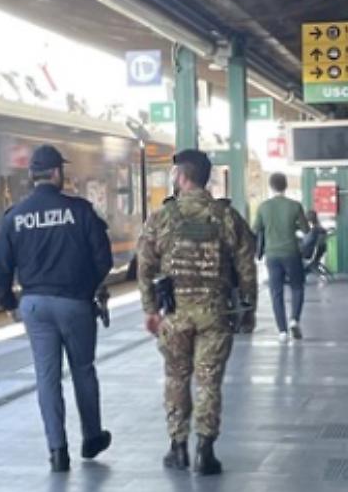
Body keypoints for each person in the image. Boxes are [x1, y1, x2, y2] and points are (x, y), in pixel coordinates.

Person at [0, 145, 113, 472]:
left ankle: (57, 451)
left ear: (32, 175)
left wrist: (8, 304)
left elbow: (0, 268)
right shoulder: (81, 211)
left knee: (46, 378)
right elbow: (104, 259)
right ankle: (91, 437)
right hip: (75, 303)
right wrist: (87, 287)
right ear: (57, 173)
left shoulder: (14, 216)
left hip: (34, 305)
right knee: (83, 370)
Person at [138, 149, 257, 475]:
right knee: (209, 382)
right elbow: (247, 267)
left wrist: (150, 309)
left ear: (181, 176)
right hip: (216, 314)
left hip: (175, 316)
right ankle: (206, 450)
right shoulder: (227, 217)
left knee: (176, 378)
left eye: (175, 173)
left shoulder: (162, 218)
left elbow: (145, 267)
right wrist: (247, 309)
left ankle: (178, 448)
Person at [253, 173, 309, 342]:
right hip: (291, 252)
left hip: (272, 254)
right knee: (297, 287)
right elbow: (306, 229)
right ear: (286, 186)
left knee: (276, 292)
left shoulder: (263, 207)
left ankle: (282, 331)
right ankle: (294, 320)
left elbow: (256, 229)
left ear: (271, 186)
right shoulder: (295, 206)